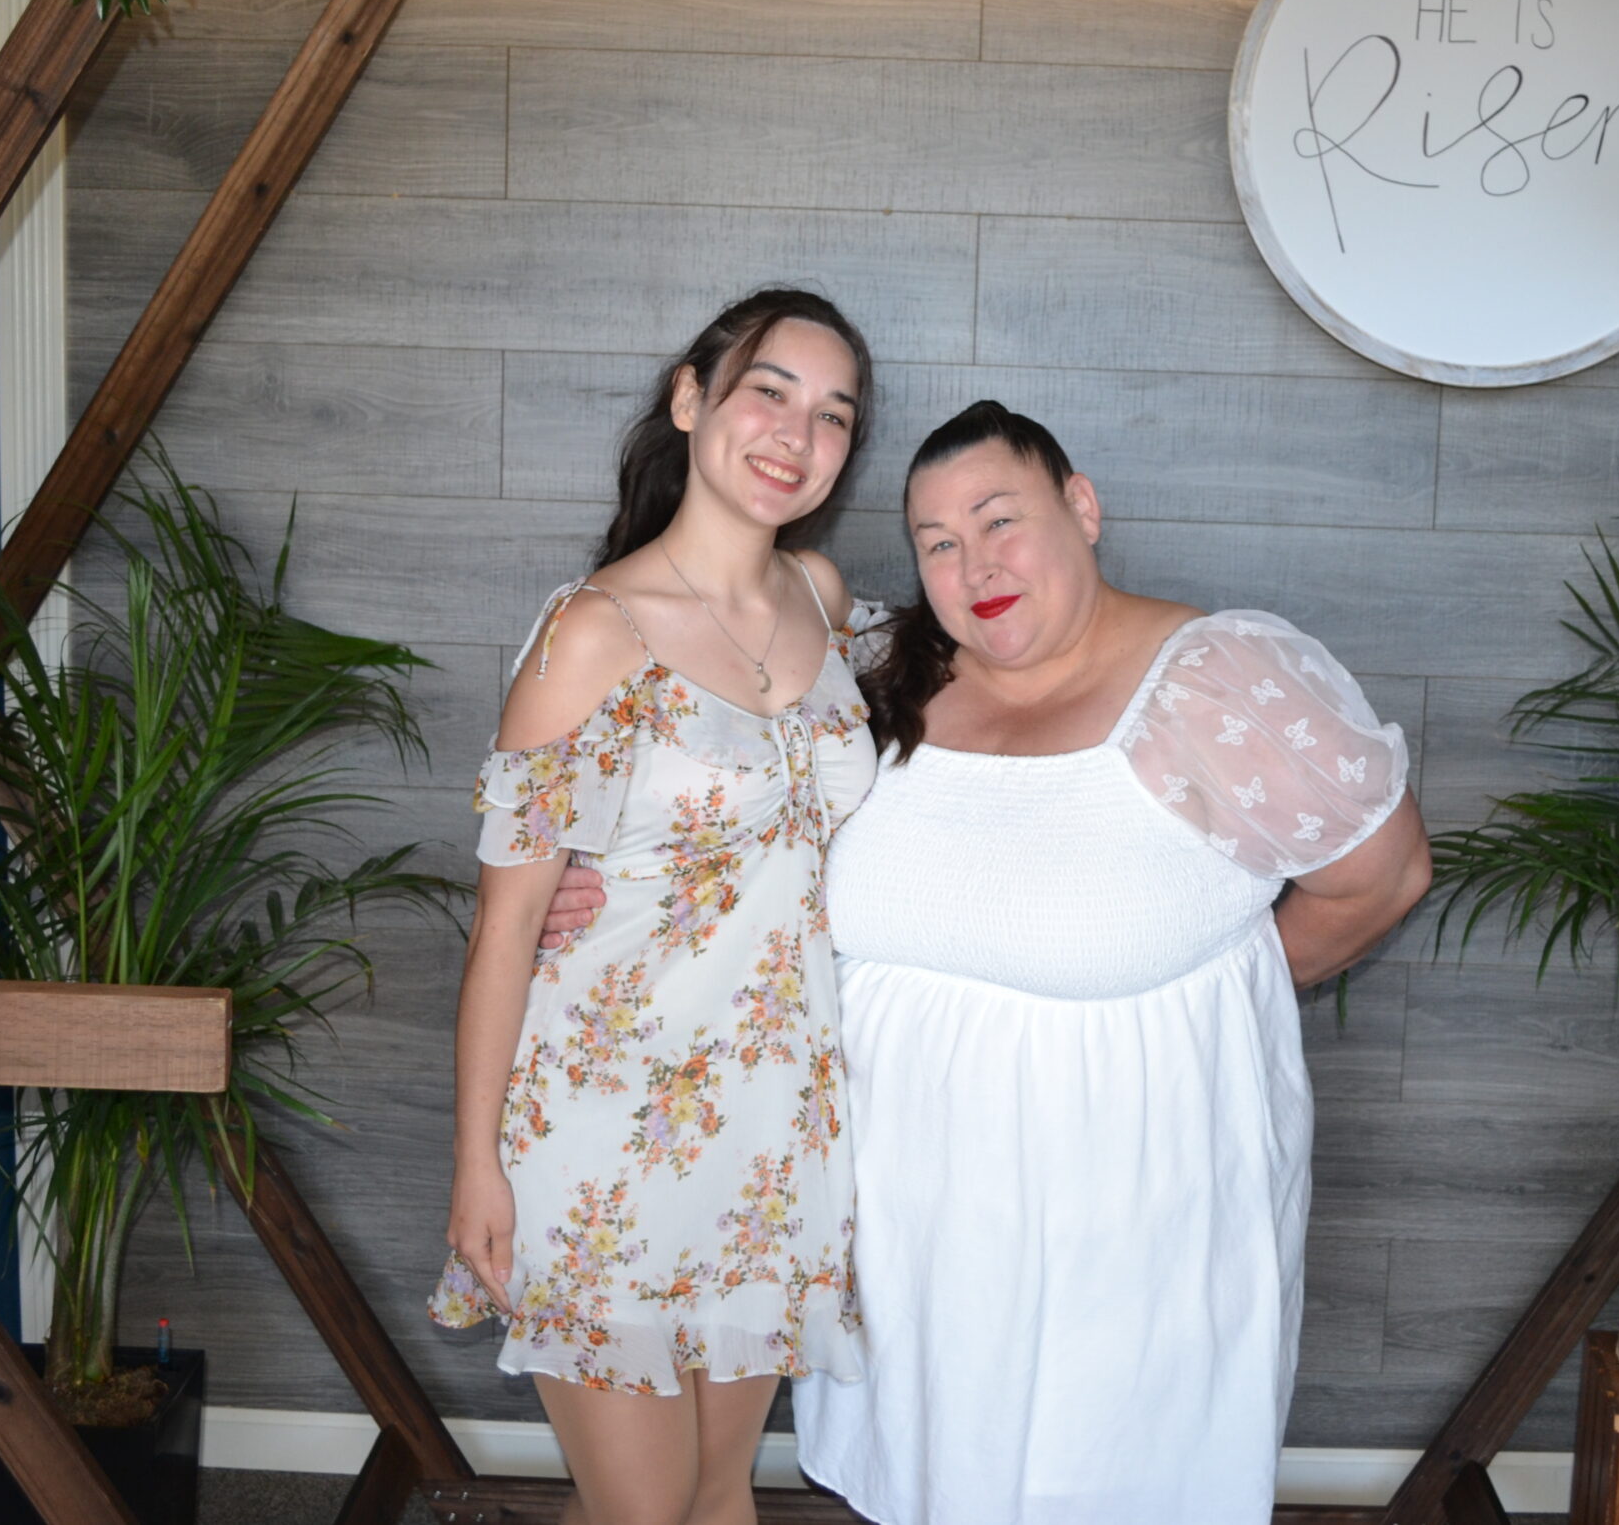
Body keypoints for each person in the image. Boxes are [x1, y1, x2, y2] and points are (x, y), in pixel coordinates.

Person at [540, 400, 1430, 1524]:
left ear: (1082, 507)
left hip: (1128, 1222)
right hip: (903, 1222)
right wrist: (578, 869)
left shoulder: (1214, 680)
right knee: (931, 1469)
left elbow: (1383, 876)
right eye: (939, 542)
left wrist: (1211, 994)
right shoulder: (881, 666)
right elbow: (707, 767)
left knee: (1101, 1475)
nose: (976, 566)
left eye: (1001, 520)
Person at [431, 288, 881, 1525]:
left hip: (774, 1129)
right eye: (768, 392)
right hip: (601, 1117)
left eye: (833, 414)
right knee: (646, 1510)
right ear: (691, 401)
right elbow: (507, 925)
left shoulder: (823, 596)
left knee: (718, 1495)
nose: (797, 433)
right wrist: (476, 1165)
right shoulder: (594, 632)